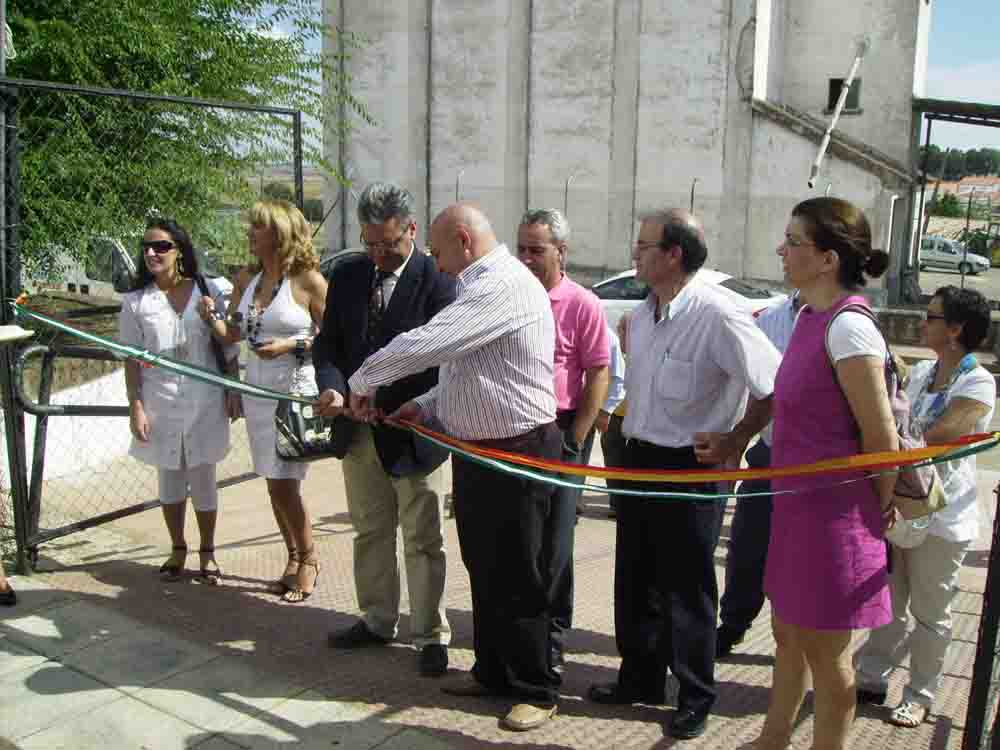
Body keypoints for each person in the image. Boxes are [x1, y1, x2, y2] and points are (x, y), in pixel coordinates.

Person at [326, 202, 562, 732]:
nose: (435, 262)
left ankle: (537, 688)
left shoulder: (500, 285)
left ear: (463, 239)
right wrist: (425, 406)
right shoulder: (479, 286)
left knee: (519, 572)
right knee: (486, 565)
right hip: (479, 449)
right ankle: (493, 670)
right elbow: (467, 371)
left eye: (437, 251)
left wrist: (363, 380)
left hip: (517, 449)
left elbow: (431, 343)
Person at [588, 208, 780, 741]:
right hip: (639, 459)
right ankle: (640, 678)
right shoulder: (642, 315)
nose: (634, 253)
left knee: (688, 588)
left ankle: (696, 695)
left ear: (674, 255)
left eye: (645, 245)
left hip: (691, 468)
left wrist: (735, 440)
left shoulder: (718, 315)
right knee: (635, 578)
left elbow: (773, 386)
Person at [749, 197, 898, 750]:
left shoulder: (849, 328)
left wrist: (878, 509)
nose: (781, 250)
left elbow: (881, 439)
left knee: (828, 654)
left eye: (793, 242)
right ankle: (773, 738)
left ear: (828, 258)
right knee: (788, 636)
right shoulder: (810, 318)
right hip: (797, 512)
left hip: (836, 523)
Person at [313, 183, 456, 676]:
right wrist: (333, 389)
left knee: (423, 537)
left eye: (388, 244)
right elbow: (329, 345)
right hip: (358, 433)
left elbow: (444, 361)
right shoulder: (349, 275)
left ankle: (430, 633)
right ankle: (377, 619)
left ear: (411, 230)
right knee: (370, 530)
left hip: (414, 432)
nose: (377, 254)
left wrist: (402, 403)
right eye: (369, 243)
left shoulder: (438, 280)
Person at [855, 286, 995, 729]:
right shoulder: (919, 374)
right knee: (889, 602)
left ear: (955, 329)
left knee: (931, 614)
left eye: (931, 317)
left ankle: (919, 695)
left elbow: (943, 435)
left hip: (944, 516)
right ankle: (870, 679)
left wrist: (889, 439)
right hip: (904, 508)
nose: (921, 323)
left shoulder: (978, 382)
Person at [200, 200, 328, 602]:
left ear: (280, 233)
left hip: (292, 391)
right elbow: (233, 334)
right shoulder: (247, 279)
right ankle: (293, 558)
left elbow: (334, 338)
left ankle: (309, 558)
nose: (250, 233)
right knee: (273, 483)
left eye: (258, 226)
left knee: (285, 483)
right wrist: (210, 318)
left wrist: (291, 345)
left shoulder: (308, 281)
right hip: (256, 392)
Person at [121, 217, 239, 584]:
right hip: (160, 400)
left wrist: (233, 389)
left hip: (205, 399)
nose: (152, 253)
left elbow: (229, 343)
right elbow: (130, 358)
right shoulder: (136, 302)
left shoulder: (209, 289)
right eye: (147, 247)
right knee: (169, 477)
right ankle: (177, 548)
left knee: (203, 476)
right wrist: (136, 406)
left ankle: (208, 552)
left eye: (161, 246)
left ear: (179, 251)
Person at [516, 208, 609, 669]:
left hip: (562, 431)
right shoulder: (512, 299)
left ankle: (551, 640)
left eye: (537, 250)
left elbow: (598, 372)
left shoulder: (582, 304)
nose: (526, 259)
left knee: (555, 544)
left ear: (561, 252)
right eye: (521, 249)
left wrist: (576, 437)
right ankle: (519, 636)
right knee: (521, 539)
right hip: (516, 432)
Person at [716, 293, 801, 657]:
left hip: (817, 465)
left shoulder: (845, 320)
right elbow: (754, 390)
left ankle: (798, 641)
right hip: (768, 454)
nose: (785, 262)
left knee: (800, 561)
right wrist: (735, 445)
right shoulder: (770, 318)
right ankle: (733, 624)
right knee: (747, 545)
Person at [597, 325, 627, 517]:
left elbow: (619, 383)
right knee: (613, 461)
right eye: (621, 329)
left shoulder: (643, 355)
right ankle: (616, 504)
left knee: (627, 463)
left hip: (631, 419)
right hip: (614, 416)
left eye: (623, 330)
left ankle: (623, 503)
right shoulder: (616, 351)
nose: (620, 333)